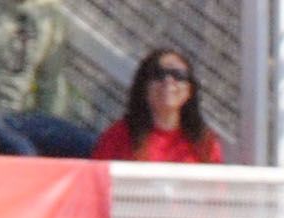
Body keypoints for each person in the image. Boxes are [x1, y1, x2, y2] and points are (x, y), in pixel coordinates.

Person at [91, 48, 221, 163]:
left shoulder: (204, 142)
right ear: (144, 87)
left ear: (189, 90)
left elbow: (217, 189)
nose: (168, 81)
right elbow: (97, 184)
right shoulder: (119, 136)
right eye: (159, 74)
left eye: (178, 75)